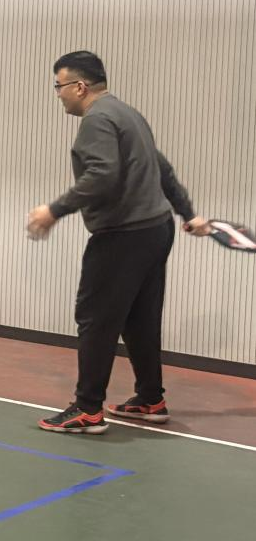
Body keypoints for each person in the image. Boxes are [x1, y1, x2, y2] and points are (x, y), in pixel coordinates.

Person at [27, 51, 210, 434]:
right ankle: (150, 399)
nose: (57, 94)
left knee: (95, 319)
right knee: (140, 319)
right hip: (156, 230)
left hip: (123, 235)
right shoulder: (128, 114)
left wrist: (54, 210)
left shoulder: (97, 120)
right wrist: (187, 213)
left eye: (59, 86)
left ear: (79, 86)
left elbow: (102, 175)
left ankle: (87, 409)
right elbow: (162, 168)